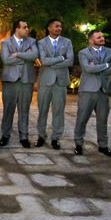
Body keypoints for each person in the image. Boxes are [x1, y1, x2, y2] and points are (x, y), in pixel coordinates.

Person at [73, 30, 111, 156]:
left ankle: (103, 146)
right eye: (99, 37)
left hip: (104, 90)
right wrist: (106, 65)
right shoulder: (83, 52)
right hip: (88, 90)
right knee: (82, 119)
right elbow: (87, 68)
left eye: (102, 36)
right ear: (91, 40)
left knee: (102, 120)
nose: (102, 38)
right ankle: (79, 144)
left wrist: (96, 68)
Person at [36, 19, 74, 150]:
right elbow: (44, 61)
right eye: (56, 26)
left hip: (61, 81)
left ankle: (55, 138)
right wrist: (61, 58)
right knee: (42, 110)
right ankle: (41, 136)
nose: (59, 28)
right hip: (46, 81)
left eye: (60, 27)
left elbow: (70, 61)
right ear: (49, 28)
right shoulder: (41, 43)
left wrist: (54, 61)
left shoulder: (67, 42)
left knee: (58, 111)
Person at [0, 20, 38, 148]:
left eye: (27, 27)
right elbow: (6, 59)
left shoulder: (31, 41)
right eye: (25, 27)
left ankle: (24, 137)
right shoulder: (5, 43)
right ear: (17, 29)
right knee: (8, 110)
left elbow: (34, 55)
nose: (28, 29)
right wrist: (24, 58)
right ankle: (5, 135)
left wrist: (17, 54)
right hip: (10, 80)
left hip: (26, 80)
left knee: (24, 110)